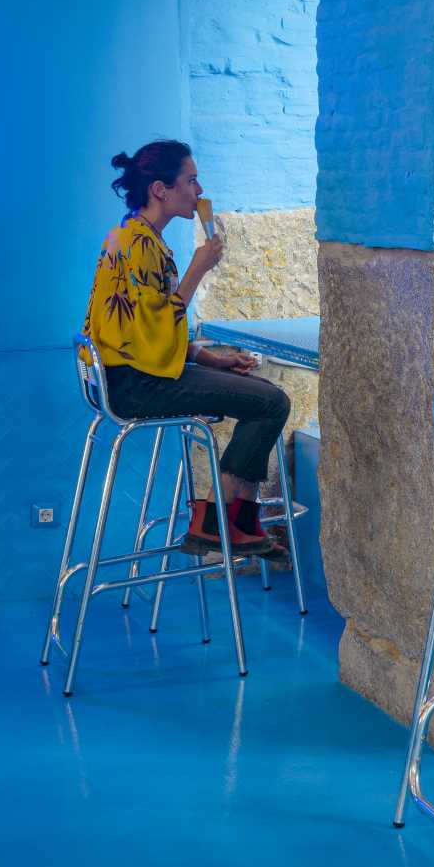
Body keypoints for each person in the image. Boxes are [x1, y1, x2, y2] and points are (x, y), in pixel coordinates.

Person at [82, 139, 292, 558]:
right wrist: (198, 269)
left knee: (263, 396)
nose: (199, 192)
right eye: (191, 181)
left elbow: (146, 328)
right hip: (138, 383)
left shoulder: (132, 235)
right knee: (271, 403)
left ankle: (236, 523)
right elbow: (157, 328)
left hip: (131, 373)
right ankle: (218, 523)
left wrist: (208, 357)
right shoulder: (140, 245)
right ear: (161, 189)